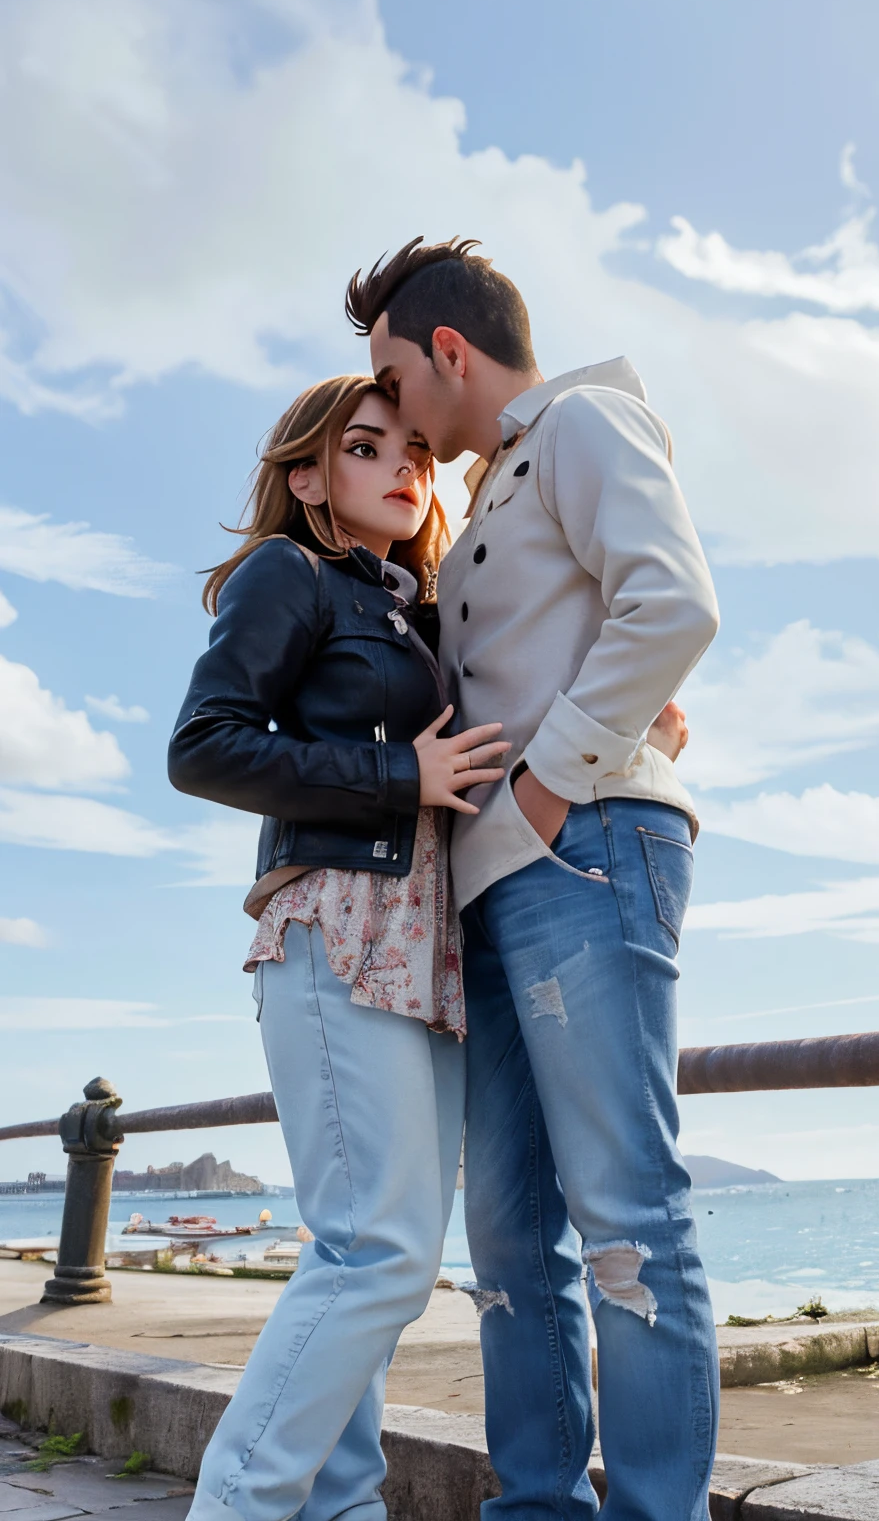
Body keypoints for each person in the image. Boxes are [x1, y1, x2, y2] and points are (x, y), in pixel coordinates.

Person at [346, 239, 722, 1520]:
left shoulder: (585, 420)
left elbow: (671, 603)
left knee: (624, 1216)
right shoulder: (494, 488)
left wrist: (557, 779)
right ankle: (537, 1509)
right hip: (490, 884)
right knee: (507, 1237)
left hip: (586, 846)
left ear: (449, 350)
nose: (391, 410)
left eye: (393, 376)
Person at [168, 374, 511, 1521]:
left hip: (424, 942)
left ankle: (341, 1506)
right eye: (367, 448)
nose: (405, 465)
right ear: (307, 476)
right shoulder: (291, 573)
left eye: (415, 447)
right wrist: (393, 775)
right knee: (380, 1253)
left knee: (365, 1261)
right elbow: (205, 745)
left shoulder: (417, 605)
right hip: (336, 920)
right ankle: (241, 1505)